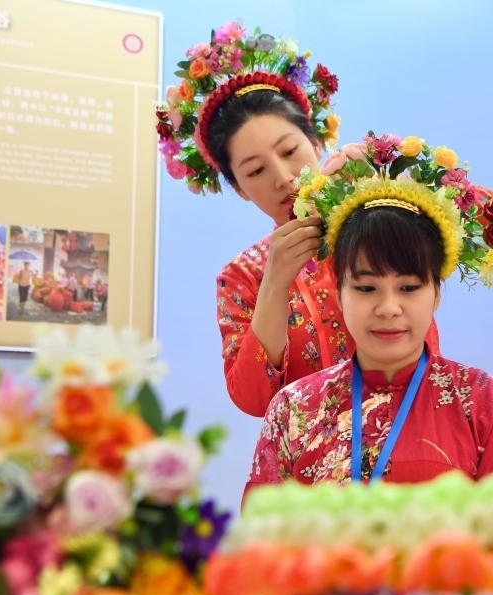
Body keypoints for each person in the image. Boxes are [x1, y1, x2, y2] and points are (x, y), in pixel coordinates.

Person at [155, 22, 443, 418]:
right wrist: (274, 282)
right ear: (239, 189)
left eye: (290, 151)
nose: (283, 178)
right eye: (255, 171)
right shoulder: (243, 276)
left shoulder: (386, 218)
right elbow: (253, 399)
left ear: (317, 143)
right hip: (308, 451)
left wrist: (397, 179)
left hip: (418, 430)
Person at [244, 133, 493, 495]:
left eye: (409, 288)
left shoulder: (485, 403)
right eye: (366, 288)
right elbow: (261, 525)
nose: (389, 308)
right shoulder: (293, 409)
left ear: (436, 294)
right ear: (339, 294)